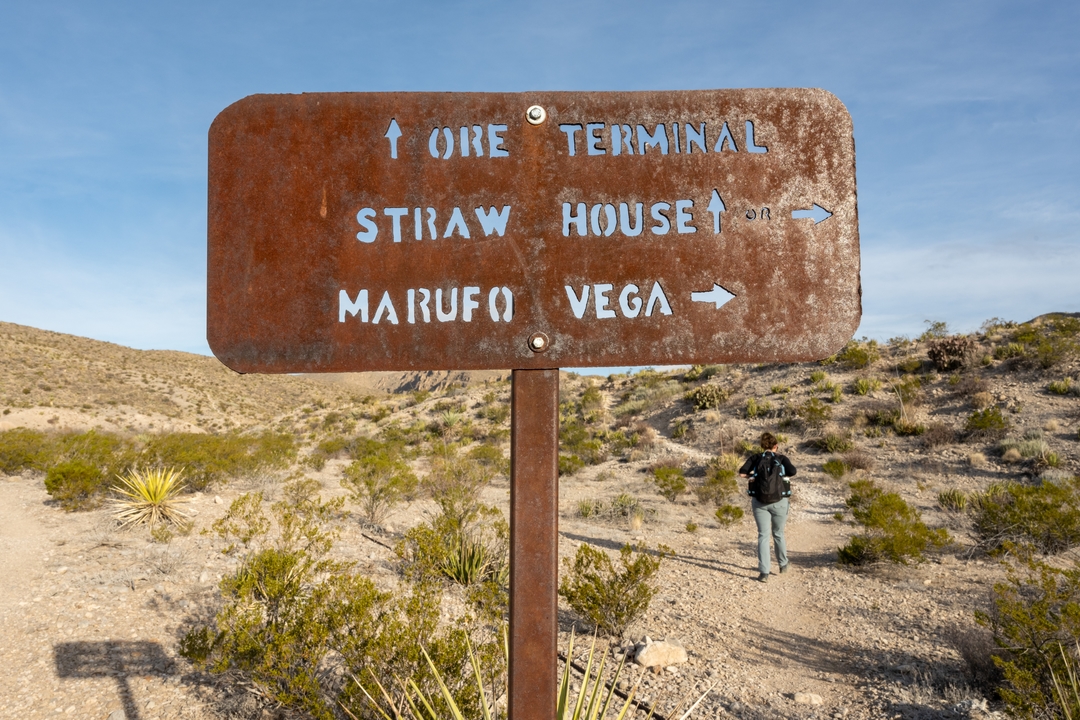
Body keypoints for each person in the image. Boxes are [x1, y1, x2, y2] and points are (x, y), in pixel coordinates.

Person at [739, 432, 797, 582]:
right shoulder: (781, 458)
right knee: (778, 533)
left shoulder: (755, 458)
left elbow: (742, 473)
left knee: (763, 536)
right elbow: (792, 471)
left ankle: (764, 572)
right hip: (780, 501)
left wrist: (754, 476)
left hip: (759, 502)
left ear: (762, 446)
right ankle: (783, 565)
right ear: (776, 445)